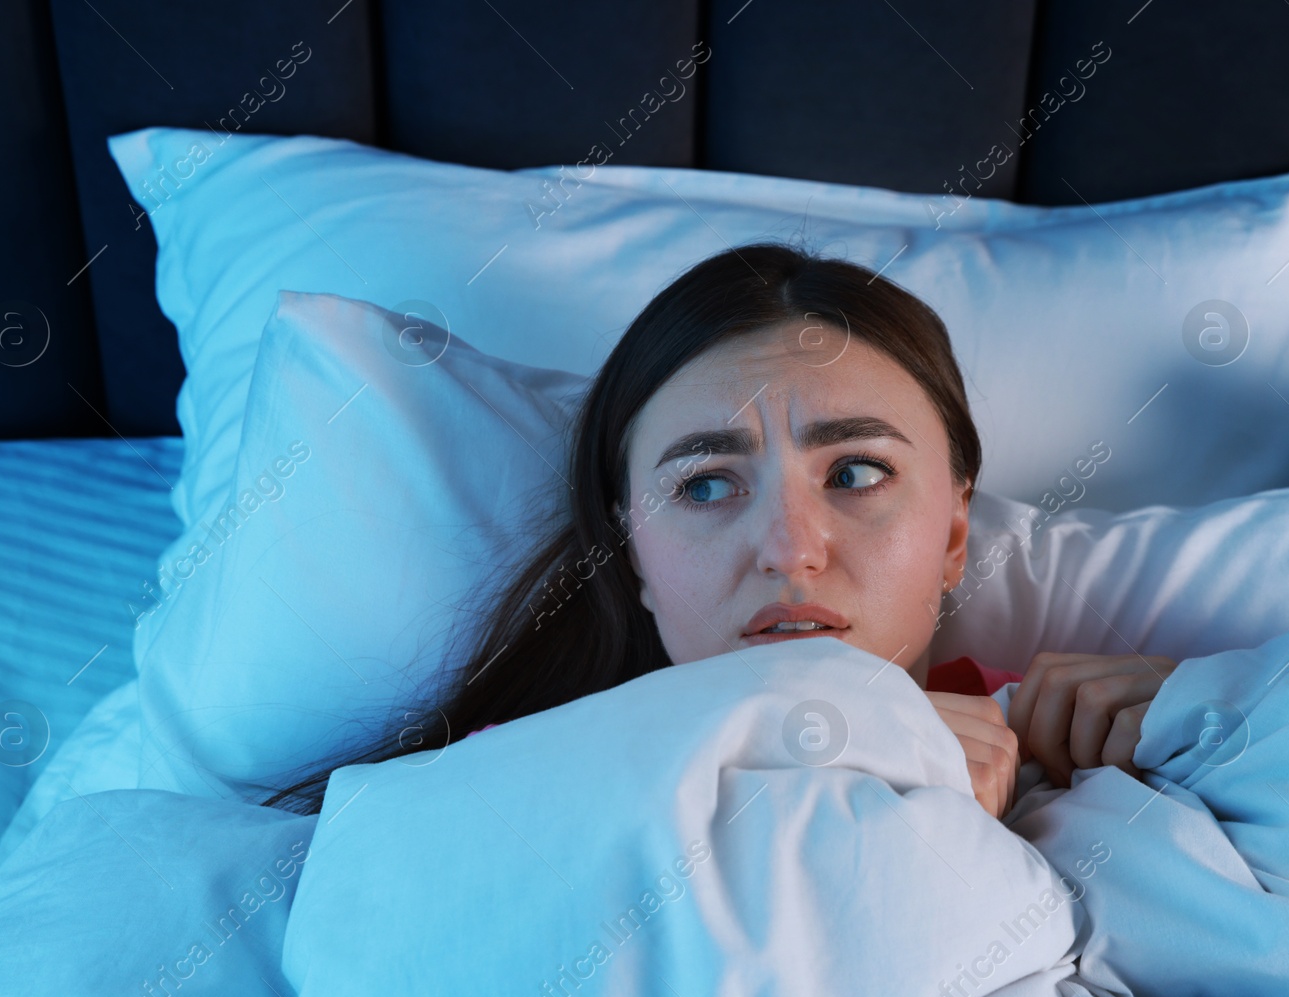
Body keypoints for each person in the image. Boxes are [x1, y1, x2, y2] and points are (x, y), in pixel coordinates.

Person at [263, 241, 1175, 818]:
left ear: (952, 536)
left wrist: (1226, 719)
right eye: (704, 487)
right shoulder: (495, 788)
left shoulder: (1095, 741)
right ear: (637, 561)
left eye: (856, 473)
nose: (789, 548)